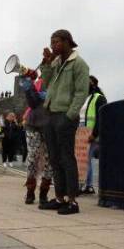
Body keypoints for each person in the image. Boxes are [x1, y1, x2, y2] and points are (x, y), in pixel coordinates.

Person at [39, 29, 89, 215]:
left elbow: (81, 92)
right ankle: (60, 197)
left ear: (68, 42)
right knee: (54, 158)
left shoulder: (79, 64)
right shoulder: (56, 62)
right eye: (52, 42)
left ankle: (72, 201)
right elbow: (45, 84)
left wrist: (70, 115)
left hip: (65, 116)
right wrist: (46, 64)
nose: (53, 45)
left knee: (67, 158)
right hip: (51, 113)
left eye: (57, 42)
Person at [19, 76, 53, 205]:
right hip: (33, 125)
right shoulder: (38, 82)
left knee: (49, 159)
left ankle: (44, 192)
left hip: (50, 125)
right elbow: (32, 103)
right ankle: (30, 191)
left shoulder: (59, 81)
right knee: (32, 157)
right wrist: (29, 89)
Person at [79, 76, 107, 195]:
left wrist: (95, 134)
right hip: (81, 131)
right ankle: (88, 185)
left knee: (85, 160)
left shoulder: (99, 98)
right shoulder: (85, 98)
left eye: (88, 82)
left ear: (94, 84)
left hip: (90, 132)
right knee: (84, 160)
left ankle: (85, 185)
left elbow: (101, 117)